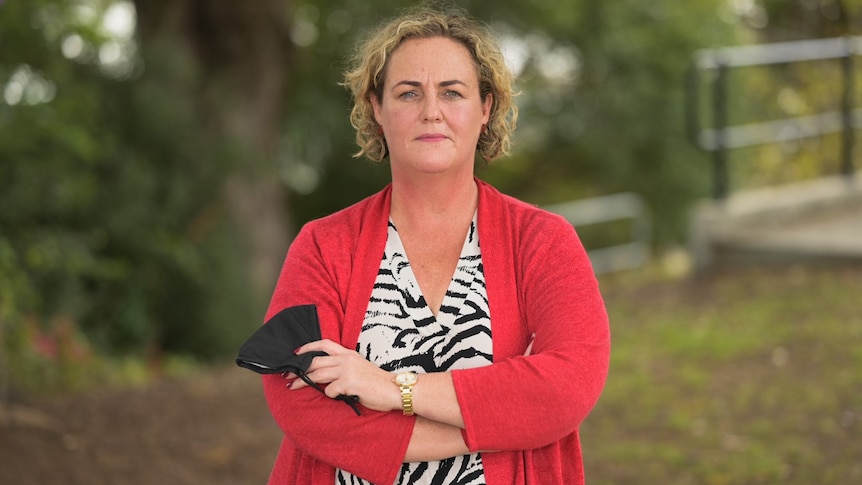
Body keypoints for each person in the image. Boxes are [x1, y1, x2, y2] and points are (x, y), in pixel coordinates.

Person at [261, 5, 610, 485]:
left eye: (452, 92)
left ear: (485, 108)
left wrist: (390, 388)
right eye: (408, 92)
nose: (432, 111)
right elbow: (298, 402)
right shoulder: (323, 246)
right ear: (377, 109)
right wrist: (496, 424)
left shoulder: (543, 241)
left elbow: (568, 387)